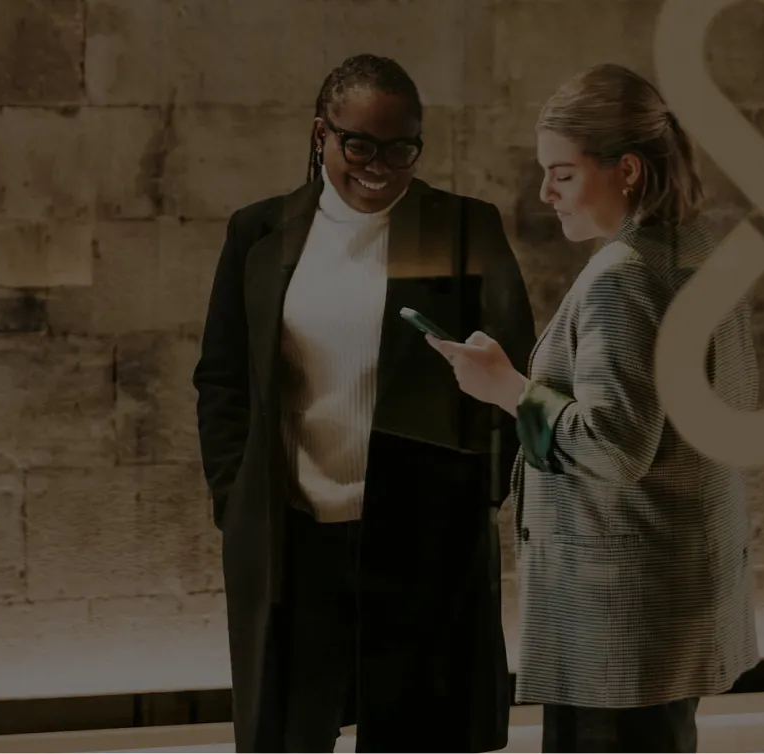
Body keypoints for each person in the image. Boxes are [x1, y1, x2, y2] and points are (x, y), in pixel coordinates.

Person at [191, 53, 537, 753]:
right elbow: (223, 380)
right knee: (290, 736)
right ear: (322, 133)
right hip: (294, 542)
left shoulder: (462, 228)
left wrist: (475, 500)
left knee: (418, 739)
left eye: (401, 148)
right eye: (360, 145)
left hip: (423, 544)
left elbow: (514, 377)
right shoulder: (258, 232)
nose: (380, 166)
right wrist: (236, 497)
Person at [427, 63, 762, 753]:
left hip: (616, 616)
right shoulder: (700, 251)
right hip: (677, 594)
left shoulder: (623, 275)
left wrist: (506, 388)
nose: (545, 192)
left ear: (628, 170)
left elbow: (613, 446)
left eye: (564, 173)